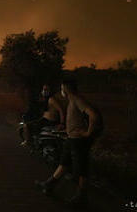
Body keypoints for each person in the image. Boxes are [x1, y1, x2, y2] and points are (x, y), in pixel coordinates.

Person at [36, 78, 103, 208]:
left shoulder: (77, 100)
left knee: (81, 169)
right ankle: (49, 185)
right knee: (64, 163)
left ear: (65, 89)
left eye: (62, 89)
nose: (61, 91)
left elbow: (93, 115)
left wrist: (87, 133)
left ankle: (82, 198)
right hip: (71, 139)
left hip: (79, 141)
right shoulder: (72, 100)